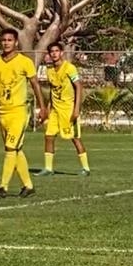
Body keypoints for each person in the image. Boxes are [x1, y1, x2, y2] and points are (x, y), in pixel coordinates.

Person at [0, 28, 48, 199]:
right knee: (16, 150)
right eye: (3, 40)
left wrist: (42, 108)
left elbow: (35, 84)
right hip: (2, 112)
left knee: (9, 148)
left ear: (16, 42)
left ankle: (3, 187)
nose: (6, 43)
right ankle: (28, 186)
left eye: (9, 40)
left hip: (19, 111)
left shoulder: (24, 62)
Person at [38, 42, 89, 176]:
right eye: (51, 52)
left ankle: (86, 168)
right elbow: (52, 91)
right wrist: (48, 109)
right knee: (49, 136)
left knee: (74, 138)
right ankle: (48, 168)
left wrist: (76, 109)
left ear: (61, 53)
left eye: (56, 51)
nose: (54, 54)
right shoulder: (49, 70)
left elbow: (79, 87)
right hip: (55, 110)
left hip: (68, 109)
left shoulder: (69, 68)